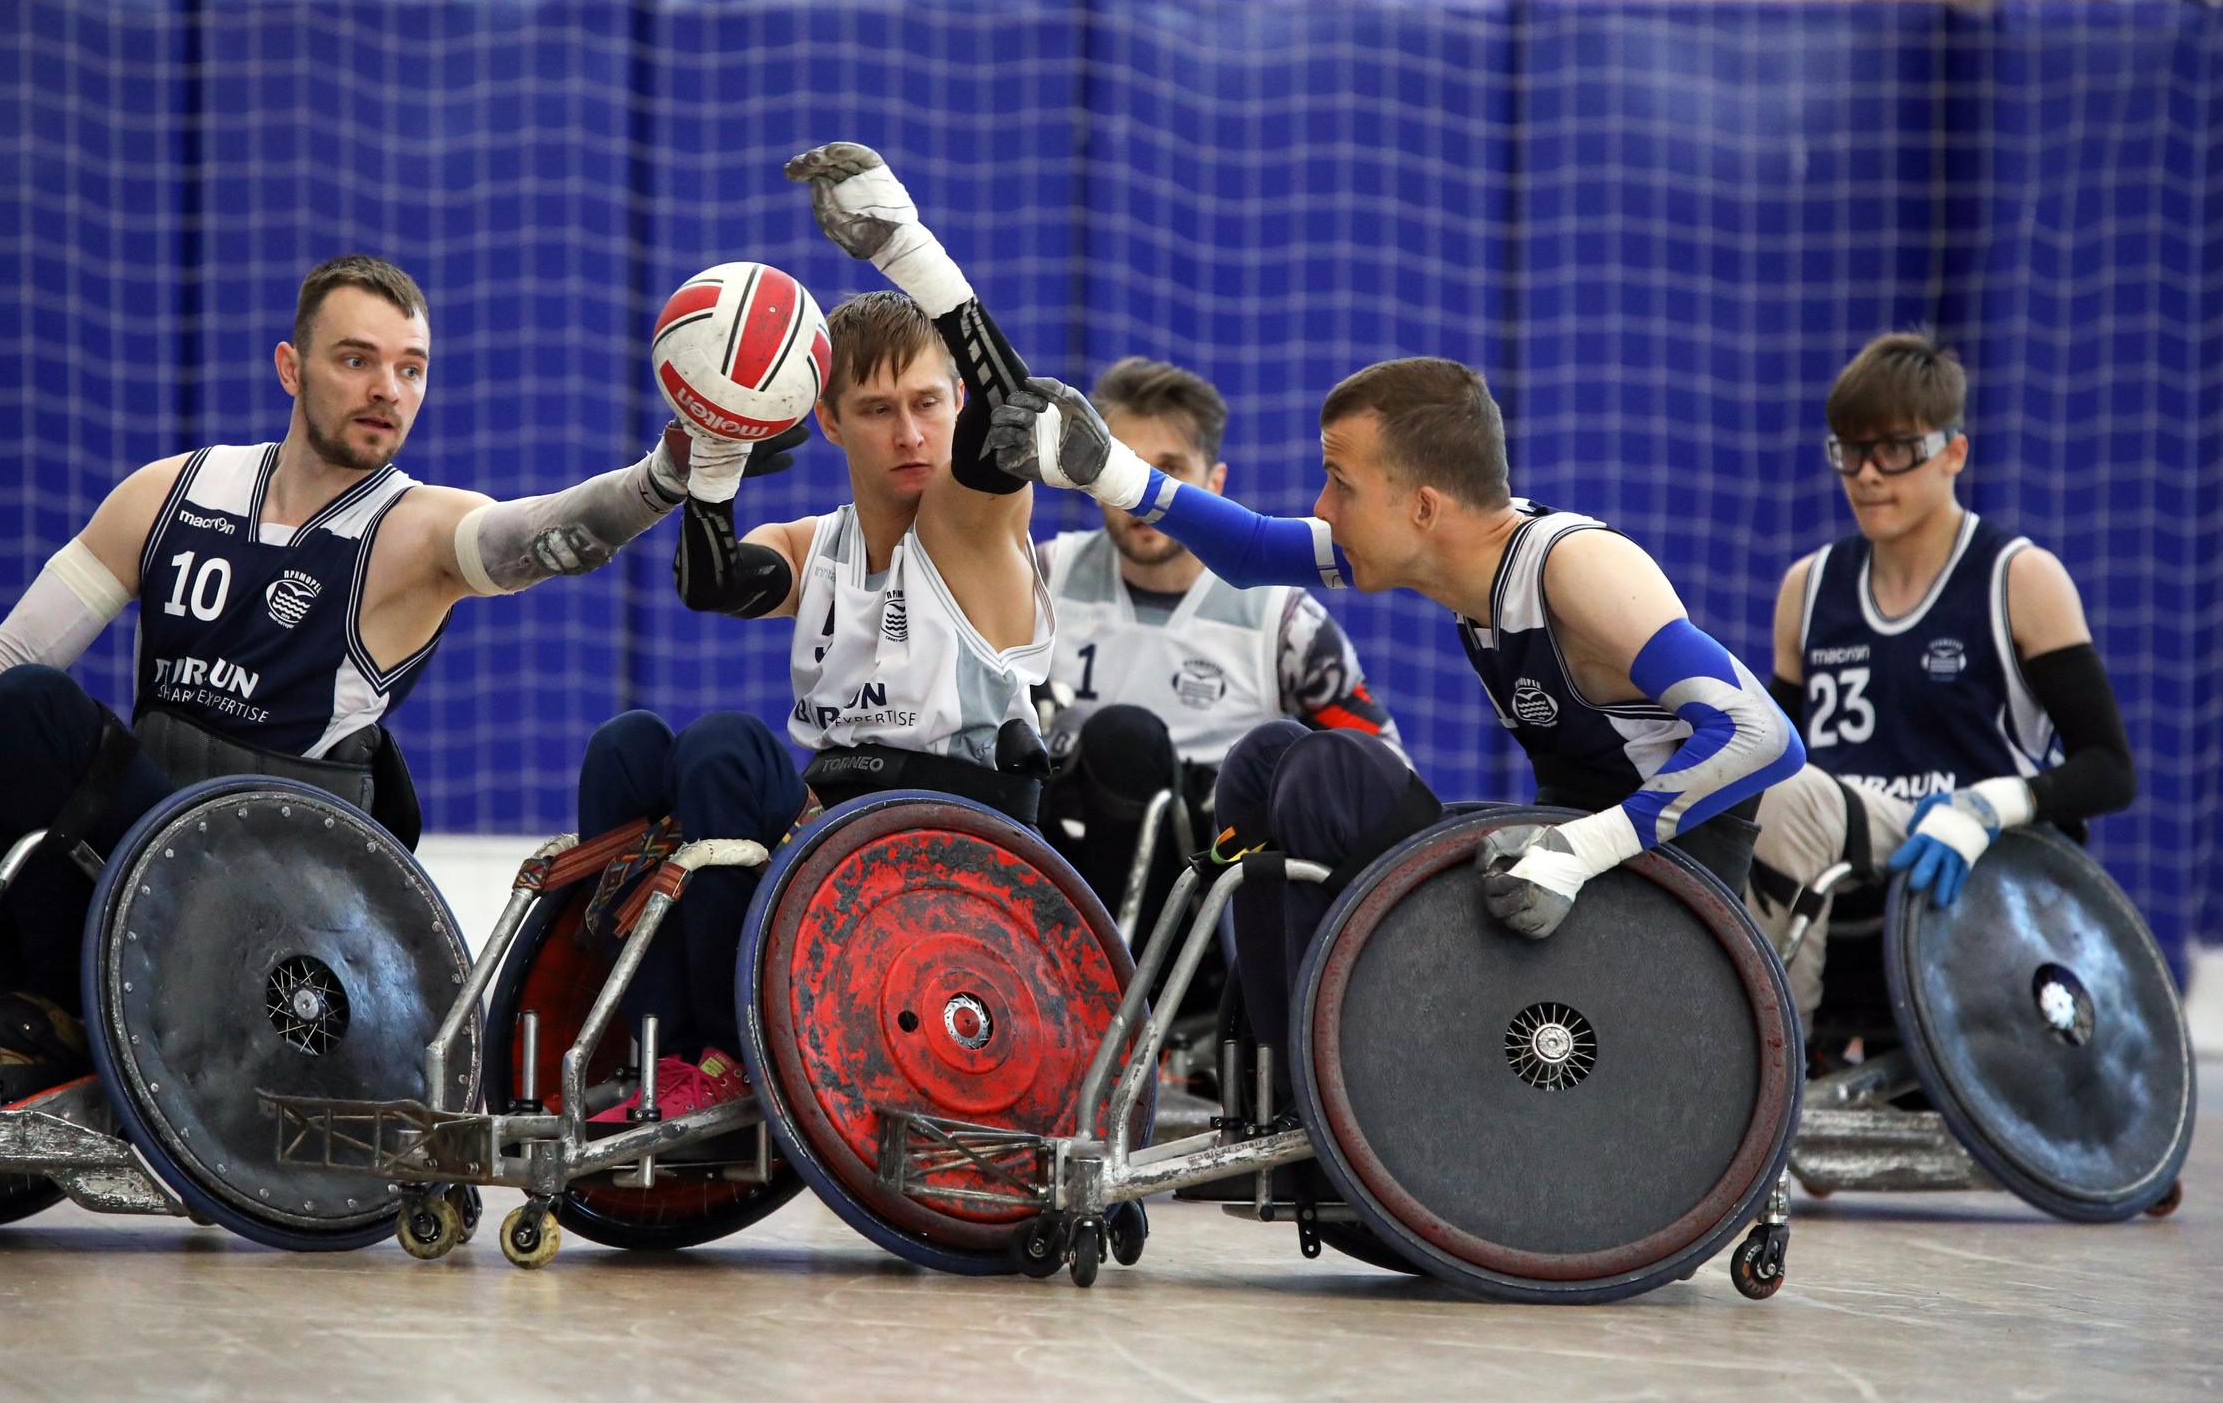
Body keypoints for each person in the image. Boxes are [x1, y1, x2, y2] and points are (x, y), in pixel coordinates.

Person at [0, 254, 770, 1104]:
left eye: (411, 369)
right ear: (291, 368)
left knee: (35, 714)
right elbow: (1, 663)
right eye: (358, 361)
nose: (388, 389)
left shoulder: (414, 529)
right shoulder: (171, 490)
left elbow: (539, 539)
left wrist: (662, 478)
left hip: (268, 870)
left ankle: (51, 1014)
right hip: (128, 833)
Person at [986, 353, 1805, 1106]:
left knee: (1334, 769)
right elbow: (1253, 549)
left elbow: (1763, 736)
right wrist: (1114, 474)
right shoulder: (1454, 552)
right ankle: (1290, 1095)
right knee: (1266, 759)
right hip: (1567, 878)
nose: (1320, 506)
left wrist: (1582, 847)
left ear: (1421, 505)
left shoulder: (1576, 566)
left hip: (1660, 906)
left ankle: (1351, 1092)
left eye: (1339, 482)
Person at [569, 145, 1054, 1119]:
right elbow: (709, 583)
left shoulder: (971, 521)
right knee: (628, 750)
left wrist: (906, 250)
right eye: (878, 411)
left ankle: (725, 1058)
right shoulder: (812, 542)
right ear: (828, 423)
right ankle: (654, 1043)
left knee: (725, 748)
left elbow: (1015, 413)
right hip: (830, 838)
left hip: (951, 843)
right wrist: (715, 450)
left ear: (953, 401)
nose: (911, 434)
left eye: (926, 404)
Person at [1741, 333, 2136, 1038]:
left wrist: (1987, 804)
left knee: (1788, 797)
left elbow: (2110, 769)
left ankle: (1770, 1063)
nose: (1866, 473)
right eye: (1849, 450)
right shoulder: (1807, 587)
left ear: (1953, 452)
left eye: (1894, 449)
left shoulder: (2019, 577)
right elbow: (1775, 749)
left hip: (1983, 858)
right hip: (1847, 848)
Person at [1036, 355, 1404, 953]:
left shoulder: (1282, 622)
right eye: (1122, 466)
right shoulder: (1041, 578)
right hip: (1055, 874)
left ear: (1213, 485)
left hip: (1211, 906)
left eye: (1169, 469)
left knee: (1134, 744)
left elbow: (1383, 769)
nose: (1140, 493)